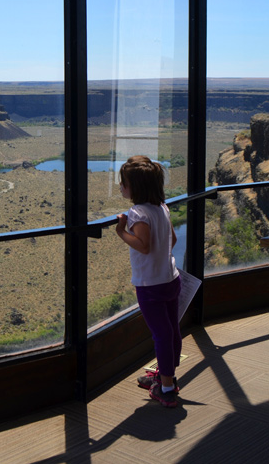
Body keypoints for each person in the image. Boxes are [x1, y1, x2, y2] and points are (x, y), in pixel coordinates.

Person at [115, 155, 181, 408]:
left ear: (136, 188)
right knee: (171, 331)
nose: (121, 187)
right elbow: (172, 240)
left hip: (150, 285)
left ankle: (165, 388)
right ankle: (168, 375)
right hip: (170, 278)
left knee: (161, 335)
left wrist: (122, 232)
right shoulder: (161, 207)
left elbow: (143, 246)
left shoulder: (138, 212)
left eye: (124, 183)